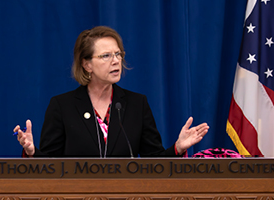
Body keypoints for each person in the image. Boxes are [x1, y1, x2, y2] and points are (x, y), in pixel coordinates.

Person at [14, 26, 209, 158]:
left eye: (118, 54)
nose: (116, 61)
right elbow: (49, 166)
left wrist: (178, 147)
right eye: (106, 56)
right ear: (87, 64)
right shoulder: (62, 106)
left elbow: (154, 163)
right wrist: (31, 152)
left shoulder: (136, 104)